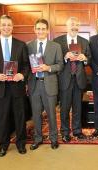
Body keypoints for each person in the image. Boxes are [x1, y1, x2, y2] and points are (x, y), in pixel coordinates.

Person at [0, 15, 29, 157]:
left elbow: (26, 65)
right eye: (3, 25)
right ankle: (3, 145)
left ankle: (21, 144)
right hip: (0, 87)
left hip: (17, 87)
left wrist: (22, 75)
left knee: (20, 117)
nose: (6, 27)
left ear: (12, 26)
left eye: (9, 25)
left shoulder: (21, 45)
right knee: (2, 118)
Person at [27, 19, 63, 150]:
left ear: (47, 30)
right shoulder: (28, 46)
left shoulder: (56, 46)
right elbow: (26, 66)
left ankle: (54, 138)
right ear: (34, 30)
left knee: (51, 114)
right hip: (34, 85)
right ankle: (37, 138)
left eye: (43, 29)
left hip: (49, 84)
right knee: (36, 114)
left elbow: (60, 65)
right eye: (38, 29)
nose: (40, 31)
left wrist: (48, 68)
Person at [53, 17, 91, 142]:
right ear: (67, 26)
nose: (74, 27)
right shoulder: (58, 41)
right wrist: (65, 57)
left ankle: (77, 131)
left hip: (79, 79)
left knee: (77, 107)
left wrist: (84, 58)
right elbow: (54, 61)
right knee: (64, 108)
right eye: (72, 24)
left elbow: (90, 59)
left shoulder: (84, 41)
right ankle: (65, 132)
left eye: (76, 24)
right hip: (65, 79)